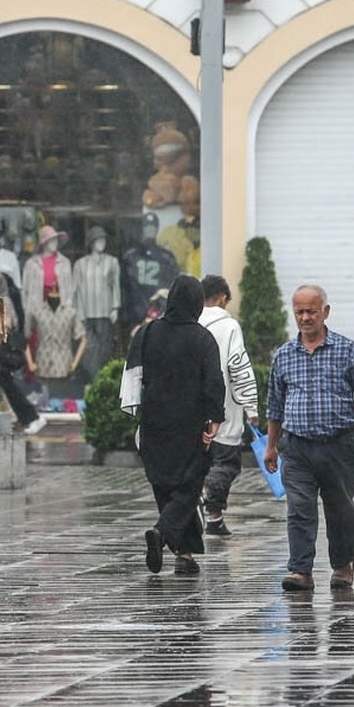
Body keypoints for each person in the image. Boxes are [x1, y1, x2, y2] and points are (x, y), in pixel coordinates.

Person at [264, 285, 354, 592]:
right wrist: (270, 446)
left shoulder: (347, 350)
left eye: (311, 311)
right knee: (299, 509)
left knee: (341, 509)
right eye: (299, 312)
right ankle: (301, 570)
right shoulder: (283, 356)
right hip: (296, 447)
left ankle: (344, 564)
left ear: (325, 312)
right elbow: (275, 406)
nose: (305, 318)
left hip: (338, 445)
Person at [125, 274, 224, 576]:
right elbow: (213, 382)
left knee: (164, 486)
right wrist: (215, 419)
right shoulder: (202, 338)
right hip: (189, 425)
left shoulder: (148, 331)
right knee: (188, 488)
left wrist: (135, 413)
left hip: (155, 423)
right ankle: (161, 532)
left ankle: (185, 553)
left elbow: (132, 375)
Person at [198, 275, 258, 536]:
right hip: (225, 410)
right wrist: (251, 406)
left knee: (199, 463)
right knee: (226, 464)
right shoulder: (229, 326)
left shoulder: (190, 322)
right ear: (223, 297)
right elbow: (239, 367)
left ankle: (213, 518)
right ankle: (209, 499)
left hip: (193, 411)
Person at [0, 266, 46, 435]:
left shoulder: (2, 302)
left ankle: (32, 418)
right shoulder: (0, 300)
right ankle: (30, 418)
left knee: (8, 388)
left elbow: (4, 329)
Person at [73, 225, 121, 381]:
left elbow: (116, 286)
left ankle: (103, 379)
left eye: (103, 239)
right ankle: (94, 378)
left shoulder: (112, 262)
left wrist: (115, 307)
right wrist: (77, 312)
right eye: (98, 240)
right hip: (86, 312)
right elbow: (76, 289)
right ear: (91, 242)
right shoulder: (80, 265)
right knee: (88, 348)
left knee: (105, 348)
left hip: (104, 312)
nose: (102, 243)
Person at [25, 284, 87, 397]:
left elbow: (83, 340)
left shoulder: (71, 313)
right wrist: (30, 363)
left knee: (63, 404)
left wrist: (74, 364)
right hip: (42, 366)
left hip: (64, 367)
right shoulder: (36, 312)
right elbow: (24, 338)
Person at [120, 212, 179, 330]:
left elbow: (173, 288)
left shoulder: (166, 257)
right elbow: (124, 289)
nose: (150, 231)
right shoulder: (131, 256)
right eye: (147, 227)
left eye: (152, 227)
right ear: (142, 229)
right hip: (136, 311)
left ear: (157, 229)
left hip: (160, 312)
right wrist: (126, 314)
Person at [21, 225, 74, 308]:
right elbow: (25, 290)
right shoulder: (31, 264)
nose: (55, 243)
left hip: (60, 307)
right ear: (44, 243)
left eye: (56, 240)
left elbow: (69, 288)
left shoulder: (64, 262)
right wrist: (27, 310)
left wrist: (68, 307)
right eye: (51, 241)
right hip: (37, 308)